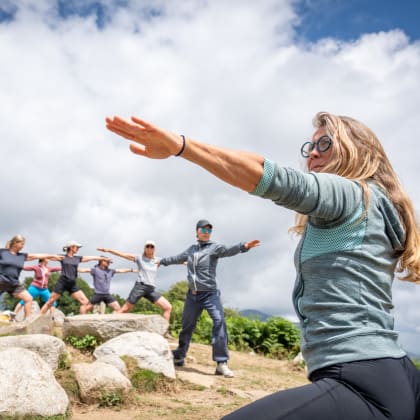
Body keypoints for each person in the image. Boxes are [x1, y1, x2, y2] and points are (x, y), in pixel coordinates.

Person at [105, 112, 420, 419]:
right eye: (309, 147)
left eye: (325, 144)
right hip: (394, 373)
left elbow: (269, 176)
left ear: (358, 152)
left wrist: (180, 146)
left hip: (361, 381)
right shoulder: (377, 208)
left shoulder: (353, 194)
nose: (312, 154)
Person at [157, 219, 260, 378]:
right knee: (187, 326)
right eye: (203, 230)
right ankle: (179, 356)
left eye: (209, 230)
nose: (206, 232)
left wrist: (243, 246)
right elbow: (177, 258)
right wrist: (162, 261)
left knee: (219, 321)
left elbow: (228, 250)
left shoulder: (214, 247)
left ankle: (221, 363)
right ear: (197, 231)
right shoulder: (191, 250)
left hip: (210, 294)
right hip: (192, 295)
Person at [97, 241, 172, 321]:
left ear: (154, 249)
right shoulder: (139, 258)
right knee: (125, 310)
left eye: (152, 246)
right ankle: (108, 323)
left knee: (168, 307)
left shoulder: (157, 260)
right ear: (145, 248)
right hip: (140, 287)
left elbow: (172, 260)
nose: (149, 248)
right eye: (148, 246)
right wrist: (108, 250)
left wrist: (185, 262)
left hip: (150, 289)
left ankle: (164, 331)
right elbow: (123, 254)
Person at [0, 235, 63, 319]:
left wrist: (53, 256)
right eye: (22, 244)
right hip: (1, 280)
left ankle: (26, 323)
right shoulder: (2, 252)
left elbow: (37, 256)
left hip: (14, 283)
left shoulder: (22, 256)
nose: (23, 246)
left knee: (28, 299)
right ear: (15, 243)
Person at [40, 241, 109, 315]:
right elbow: (48, 256)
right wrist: (43, 260)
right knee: (50, 302)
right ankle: (35, 320)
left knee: (85, 302)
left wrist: (102, 258)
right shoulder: (63, 257)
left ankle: (81, 322)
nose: (78, 249)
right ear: (71, 247)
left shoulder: (77, 258)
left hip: (72, 284)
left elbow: (89, 258)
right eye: (77, 247)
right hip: (62, 282)